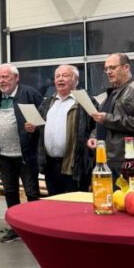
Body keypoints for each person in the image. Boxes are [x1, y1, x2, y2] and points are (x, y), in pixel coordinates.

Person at [0, 64, 43, 243]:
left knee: (31, 192)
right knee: (10, 192)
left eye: (5, 77)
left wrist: (35, 127)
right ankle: (15, 228)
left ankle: (35, 228)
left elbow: (44, 119)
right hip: (4, 155)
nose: (2, 81)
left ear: (16, 78)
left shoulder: (29, 94)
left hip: (26, 155)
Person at [88, 53, 134, 181]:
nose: (108, 72)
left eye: (113, 68)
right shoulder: (111, 93)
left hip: (127, 162)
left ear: (126, 67)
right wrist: (94, 136)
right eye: (106, 69)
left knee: (127, 194)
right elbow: (102, 121)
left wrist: (107, 119)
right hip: (106, 160)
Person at [37, 65, 95, 196]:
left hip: (75, 165)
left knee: (75, 203)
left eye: (65, 75)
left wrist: (93, 137)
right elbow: (39, 127)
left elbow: (97, 126)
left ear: (76, 80)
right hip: (50, 165)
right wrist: (32, 127)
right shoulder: (47, 102)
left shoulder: (86, 101)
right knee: (54, 202)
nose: (60, 79)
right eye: (57, 76)